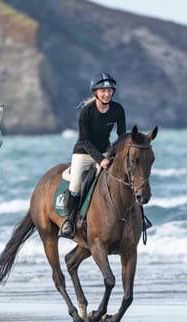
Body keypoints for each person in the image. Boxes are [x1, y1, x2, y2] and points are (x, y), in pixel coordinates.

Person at [60, 72, 126, 239]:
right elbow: (84, 141)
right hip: (83, 152)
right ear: (95, 92)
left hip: (105, 150)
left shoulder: (118, 110)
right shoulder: (86, 112)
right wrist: (101, 160)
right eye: (103, 91)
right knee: (75, 185)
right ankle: (69, 221)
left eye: (110, 90)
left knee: (122, 179)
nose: (107, 94)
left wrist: (119, 155)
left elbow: (122, 136)